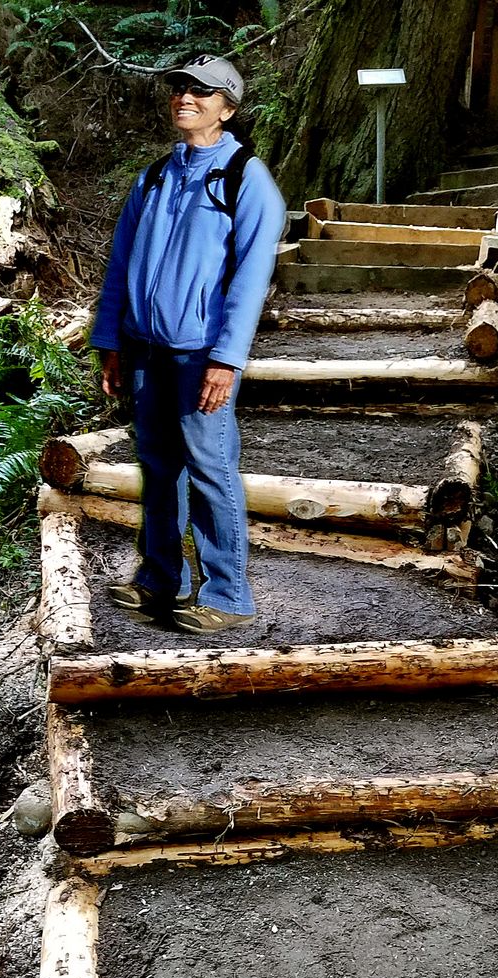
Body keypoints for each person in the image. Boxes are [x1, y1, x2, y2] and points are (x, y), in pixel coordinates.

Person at [89, 55, 287, 633]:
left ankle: (227, 595)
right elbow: (121, 263)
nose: (185, 98)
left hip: (202, 352)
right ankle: (158, 580)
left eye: (201, 92)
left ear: (226, 108)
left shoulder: (246, 178)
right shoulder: (154, 177)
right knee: (157, 465)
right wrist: (110, 340)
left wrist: (227, 360)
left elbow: (251, 282)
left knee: (209, 467)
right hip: (145, 348)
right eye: (180, 89)